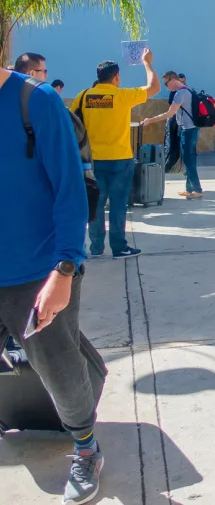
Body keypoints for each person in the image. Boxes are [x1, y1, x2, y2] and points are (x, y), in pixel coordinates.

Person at [0, 65, 106, 504]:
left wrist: (64, 271)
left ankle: (86, 447)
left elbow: (71, 190)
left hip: (37, 270)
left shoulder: (36, 102)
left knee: (60, 371)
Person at [72, 53, 160, 258]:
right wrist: (147, 63)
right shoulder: (122, 96)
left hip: (92, 161)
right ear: (116, 77)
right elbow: (154, 87)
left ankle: (95, 248)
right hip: (120, 159)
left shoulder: (84, 96)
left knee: (95, 204)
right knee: (118, 204)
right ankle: (119, 247)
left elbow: (72, 122)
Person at [142, 71, 203, 199]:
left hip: (188, 130)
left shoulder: (180, 93)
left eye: (166, 83)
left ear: (172, 79)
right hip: (193, 129)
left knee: (188, 160)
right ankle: (190, 189)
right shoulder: (188, 90)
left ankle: (197, 189)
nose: (166, 86)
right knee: (190, 159)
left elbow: (170, 114)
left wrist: (150, 120)